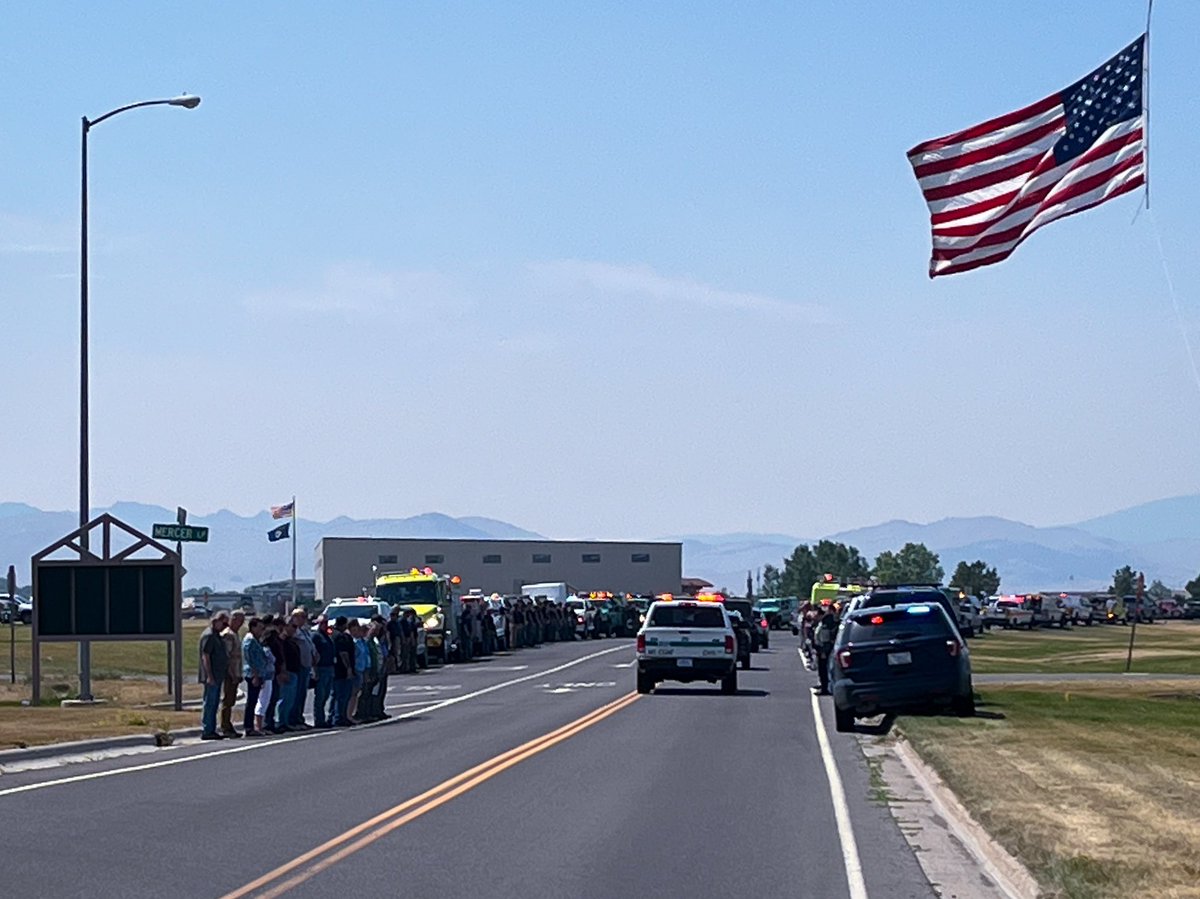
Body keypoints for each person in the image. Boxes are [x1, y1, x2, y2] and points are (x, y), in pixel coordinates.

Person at [198, 612, 230, 740]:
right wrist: (209, 675)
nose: (225, 626)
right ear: (217, 621)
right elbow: (206, 656)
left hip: (218, 674)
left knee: (215, 702)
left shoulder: (217, 635)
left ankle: (212, 728)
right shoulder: (209, 636)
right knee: (210, 703)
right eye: (224, 623)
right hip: (212, 676)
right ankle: (207, 729)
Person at [241, 617, 271, 737]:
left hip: (259, 673)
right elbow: (250, 659)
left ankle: (252, 726)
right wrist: (255, 675)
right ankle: (248, 727)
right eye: (260, 628)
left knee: (254, 700)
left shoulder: (256, 640)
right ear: (253, 627)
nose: (262, 631)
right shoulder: (250, 640)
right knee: (252, 701)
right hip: (253, 674)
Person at [219, 611, 245, 738]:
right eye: (239, 620)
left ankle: (228, 724)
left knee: (231, 700)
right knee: (228, 701)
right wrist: (233, 674)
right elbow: (227, 657)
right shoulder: (228, 635)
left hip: (236, 671)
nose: (241, 624)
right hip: (230, 673)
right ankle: (225, 726)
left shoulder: (235, 634)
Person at [289, 609, 315, 729]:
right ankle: (293, 719)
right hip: (298, 666)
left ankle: (299, 718)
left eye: (304, 617)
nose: (303, 619)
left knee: (302, 694)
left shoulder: (305, 631)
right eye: (301, 617)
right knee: (295, 694)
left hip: (307, 665)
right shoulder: (293, 631)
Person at [277, 619, 302, 732]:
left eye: (296, 627)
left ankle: (286, 721)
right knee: (284, 699)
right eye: (292, 626)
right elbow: (281, 658)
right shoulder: (281, 640)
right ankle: (280, 722)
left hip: (295, 671)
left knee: (291, 699)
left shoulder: (292, 640)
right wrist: (283, 671)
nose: (294, 629)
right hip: (287, 672)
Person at [311, 615, 336, 728]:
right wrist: (315, 670)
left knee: (326, 694)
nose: (324, 625)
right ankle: (319, 720)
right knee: (320, 696)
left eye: (326, 623)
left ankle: (324, 719)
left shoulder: (327, 635)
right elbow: (313, 653)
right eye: (322, 623)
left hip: (330, 667)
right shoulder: (316, 636)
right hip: (321, 668)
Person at [331, 616, 355, 727]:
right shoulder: (340, 637)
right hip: (341, 670)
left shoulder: (333, 634)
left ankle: (338, 716)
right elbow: (343, 653)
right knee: (342, 695)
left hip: (336, 669)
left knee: (338, 695)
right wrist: (348, 668)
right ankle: (339, 717)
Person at [813, 606, 839, 696]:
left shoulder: (827, 622)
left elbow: (825, 637)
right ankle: (823, 686)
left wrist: (823, 650)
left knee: (824, 669)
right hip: (821, 648)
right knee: (822, 669)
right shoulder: (823, 621)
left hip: (824, 649)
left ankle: (825, 688)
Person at [400, 608, 419, 673]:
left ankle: (412, 667)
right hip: (407, 638)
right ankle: (406, 668)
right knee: (406, 654)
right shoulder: (403, 621)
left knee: (412, 653)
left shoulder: (411, 621)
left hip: (411, 638)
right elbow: (409, 631)